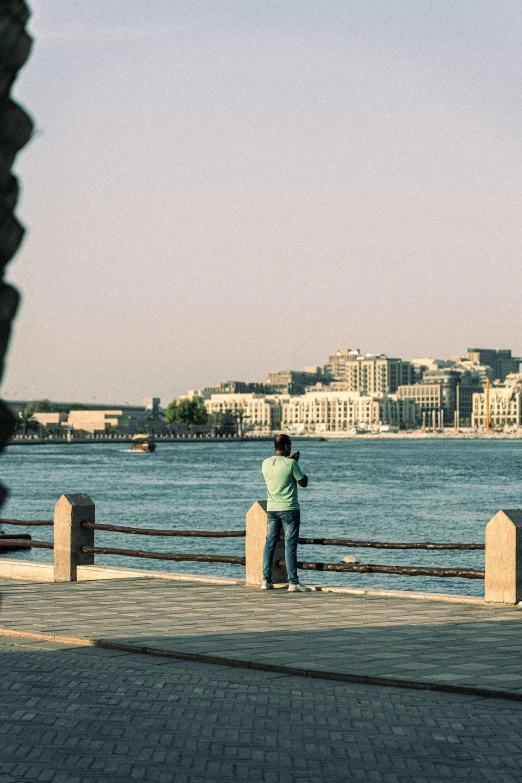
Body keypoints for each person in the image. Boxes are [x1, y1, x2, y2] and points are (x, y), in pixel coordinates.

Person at [261, 433, 311, 592]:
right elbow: (304, 482)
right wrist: (295, 463)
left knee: (269, 544)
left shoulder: (265, 463)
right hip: (289, 508)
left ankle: (266, 580)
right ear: (287, 447)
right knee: (290, 544)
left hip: (272, 509)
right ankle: (293, 582)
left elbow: (276, 478)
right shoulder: (291, 464)